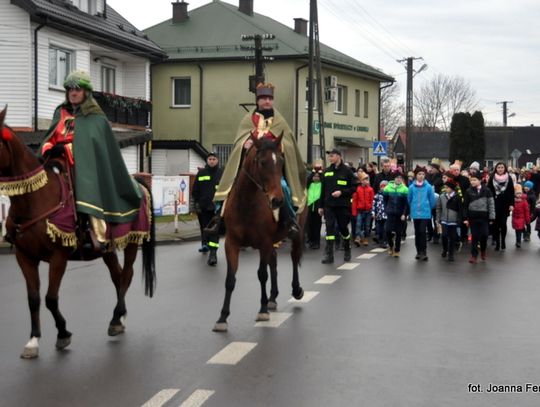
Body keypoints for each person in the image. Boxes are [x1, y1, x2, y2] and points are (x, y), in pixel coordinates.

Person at [39, 70, 142, 251]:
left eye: (77, 89)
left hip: (86, 164)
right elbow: (50, 138)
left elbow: (94, 148)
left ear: (86, 92)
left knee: (86, 186)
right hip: (58, 159)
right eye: (70, 89)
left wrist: (68, 148)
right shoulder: (60, 112)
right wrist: (49, 147)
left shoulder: (96, 117)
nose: (73, 93)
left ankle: (97, 233)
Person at [209, 83, 307, 237]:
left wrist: (277, 144)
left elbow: (288, 142)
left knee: (284, 188)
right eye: (263, 99)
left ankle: (290, 221)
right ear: (258, 101)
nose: (267, 101)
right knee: (228, 185)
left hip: (272, 170)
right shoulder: (248, 119)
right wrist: (244, 144)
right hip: (250, 167)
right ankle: (217, 220)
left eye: (270, 99)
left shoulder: (280, 121)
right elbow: (239, 140)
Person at [319, 148, 357, 264]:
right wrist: (321, 206)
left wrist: (342, 193)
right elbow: (323, 190)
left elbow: (354, 187)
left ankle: (347, 248)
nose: (330, 158)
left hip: (342, 205)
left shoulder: (347, 171)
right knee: (329, 228)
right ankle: (329, 255)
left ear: (339, 156)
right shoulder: (327, 171)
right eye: (329, 156)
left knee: (342, 228)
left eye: (332, 156)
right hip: (329, 205)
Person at [192, 152, 223, 265]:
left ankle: (213, 254)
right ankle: (205, 244)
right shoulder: (201, 173)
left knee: (215, 231)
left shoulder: (222, 173)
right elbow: (195, 190)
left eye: (214, 159)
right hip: (203, 207)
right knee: (205, 228)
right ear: (207, 160)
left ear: (217, 160)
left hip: (217, 208)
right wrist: (196, 204)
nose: (211, 161)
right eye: (209, 159)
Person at [463, 173, 495, 263]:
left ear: (480, 180)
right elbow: (465, 205)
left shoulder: (487, 190)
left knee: (484, 235)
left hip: (484, 217)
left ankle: (483, 250)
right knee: (475, 236)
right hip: (473, 217)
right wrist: (465, 218)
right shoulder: (468, 191)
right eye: (471, 180)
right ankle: (474, 255)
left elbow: (491, 204)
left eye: (474, 180)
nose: (472, 182)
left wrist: (492, 217)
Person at [408, 165, 436, 261]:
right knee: (417, 232)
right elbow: (409, 199)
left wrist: (428, 207)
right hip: (415, 213)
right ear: (416, 175)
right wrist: (413, 208)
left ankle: (424, 252)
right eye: (419, 174)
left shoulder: (428, 187)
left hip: (425, 213)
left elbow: (432, 200)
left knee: (422, 231)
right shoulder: (411, 187)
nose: (421, 176)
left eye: (423, 174)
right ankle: (418, 252)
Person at [487, 162, 515, 251]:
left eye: (502, 167)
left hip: (505, 204)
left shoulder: (508, 178)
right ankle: (497, 243)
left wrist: (511, 204)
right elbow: (489, 190)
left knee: (503, 224)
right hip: (494, 203)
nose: (500, 169)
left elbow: (511, 192)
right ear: (496, 168)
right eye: (498, 167)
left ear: (504, 169)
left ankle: (503, 241)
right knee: (495, 224)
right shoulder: (492, 177)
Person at [436, 179, 462, 262]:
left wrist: (459, 219)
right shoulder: (442, 196)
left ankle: (451, 254)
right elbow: (438, 208)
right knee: (444, 236)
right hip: (444, 220)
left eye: (447, 187)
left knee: (452, 238)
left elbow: (460, 210)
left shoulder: (457, 197)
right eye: (445, 187)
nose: (445, 189)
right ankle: (444, 249)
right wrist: (438, 218)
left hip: (453, 221)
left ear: (452, 188)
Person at [383, 174, 408, 257]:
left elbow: (406, 204)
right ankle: (391, 246)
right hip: (390, 213)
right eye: (397, 177)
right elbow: (385, 200)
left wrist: (404, 214)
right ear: (394, 178)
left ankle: (397, 250)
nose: (399, 179)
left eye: (401, 178)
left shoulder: (405, 189)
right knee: (387, 231)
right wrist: (386, 209)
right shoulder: (387, 188)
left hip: (400, 214)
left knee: (398, 232)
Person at [352, 173, 374, 247]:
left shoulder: (370, 189)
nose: (366, 181)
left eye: (367, 179)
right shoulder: (357, 189)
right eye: (364, 179)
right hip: (359, 210)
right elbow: (355, 201)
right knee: (358, 224)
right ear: (361, 181)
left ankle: (365, 238)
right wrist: (354, 211)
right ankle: (358, 237)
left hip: (368, 210)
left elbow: (372, 200)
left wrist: (371, 208)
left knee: (367, 226)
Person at [306, 165, 324, 249]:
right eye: (314, 176)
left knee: (317, 226)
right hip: (309, 208)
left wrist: (320, 173)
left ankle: (316, 242)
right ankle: (310, 240)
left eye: (318, 176)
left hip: (317, 208)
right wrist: (313, 171)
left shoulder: (322, 184)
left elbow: (324, 180)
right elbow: (307, 181)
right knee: (309, 226)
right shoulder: (310, 184)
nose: (316, 178)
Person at [511, 184, 530, 248]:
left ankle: (518, 241)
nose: (519, 195)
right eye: (517, 193)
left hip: (521, 218)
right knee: (518, 230)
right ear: (515, 194)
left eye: (520, 193)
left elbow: (526, 211)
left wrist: (527, 220)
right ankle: (523, 234)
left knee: (518, 230)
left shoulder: (524, 201)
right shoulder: (513, 201)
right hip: (515, 218)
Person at [372, 180, 388, 248]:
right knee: (379, 229)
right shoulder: (377, 196)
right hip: (379, 215)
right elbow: (373, 205)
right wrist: (373, 213)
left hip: (386, 215)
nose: (383, 188)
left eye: (385, 186)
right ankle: (380, 239)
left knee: (385, 228)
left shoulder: (388, 196)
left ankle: (384, 241)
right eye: (382, 186)